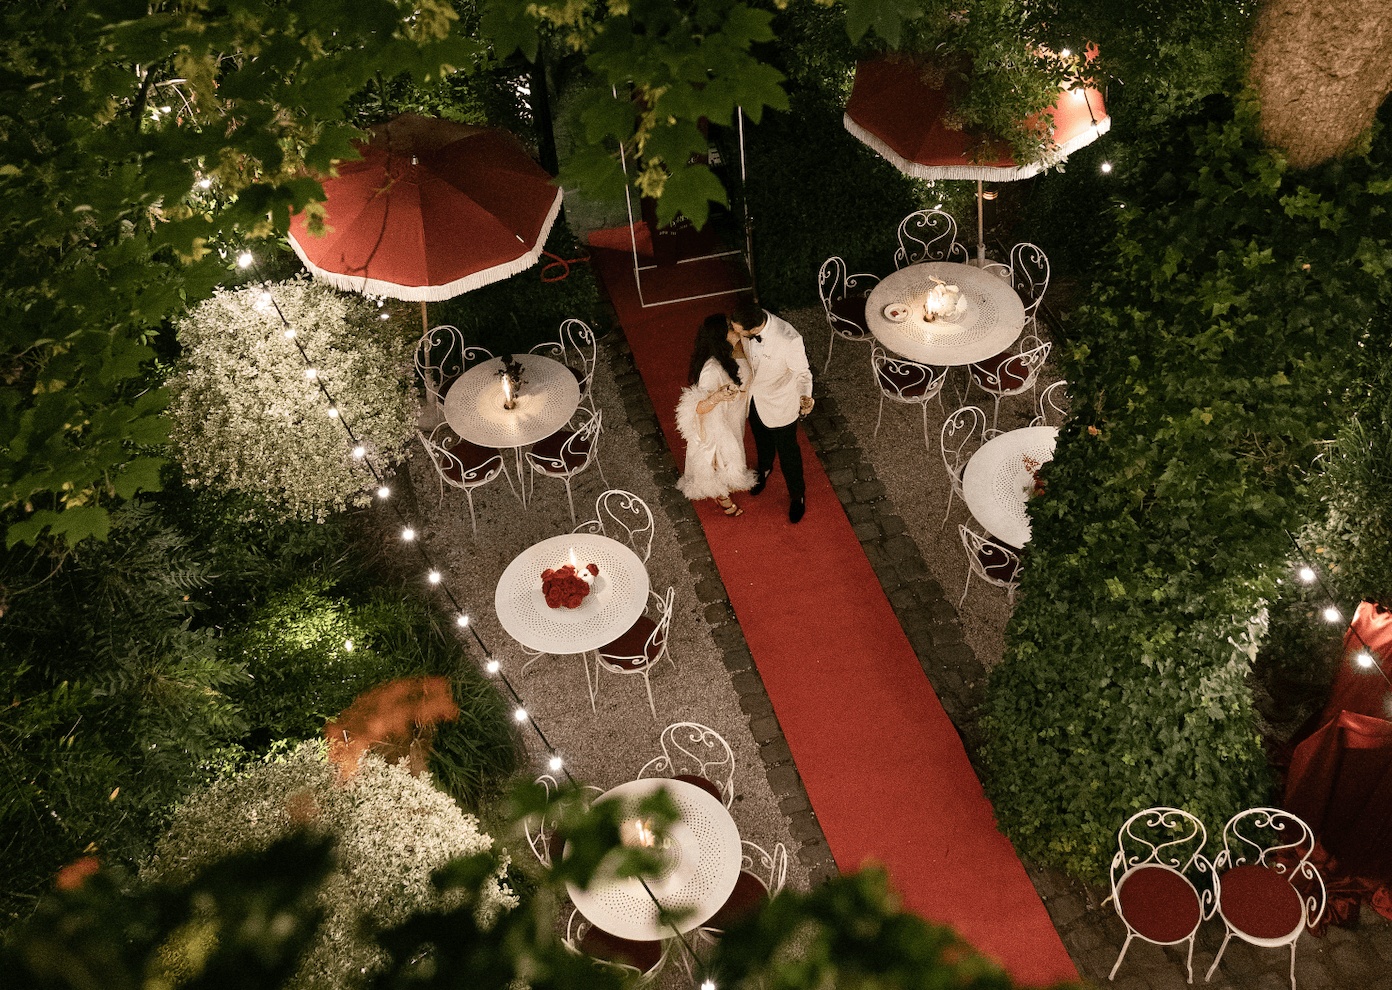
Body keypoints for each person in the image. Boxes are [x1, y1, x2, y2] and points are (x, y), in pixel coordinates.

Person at [728, 301, 814, 523]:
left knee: (789, 454)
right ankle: (764, 468)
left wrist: (805, 396)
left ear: (753, 330)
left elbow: (803, 373)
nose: (733, 333)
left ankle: (797, 496)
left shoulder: (789, 339)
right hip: (754, 399)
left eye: (738, 331)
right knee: (760, 438)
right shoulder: (753, 319)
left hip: (780, 404)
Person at [675, 314, 757, 515]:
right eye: (730, 328)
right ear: (721, 336)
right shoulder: (712, 369)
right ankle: (722, 494)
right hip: (721, 420)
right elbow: (697, 407)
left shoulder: (737, 346)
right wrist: (717, 396)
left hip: (736, 413)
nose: (736, 329)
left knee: (733, 450)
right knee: (719, 458)